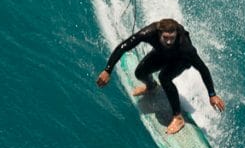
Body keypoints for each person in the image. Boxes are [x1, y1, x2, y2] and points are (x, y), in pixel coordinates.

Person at [96, 17, 226, 134]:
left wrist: (212, 94)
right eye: (165, 38)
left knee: (165, 78)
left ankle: (178, 117)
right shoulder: (148, 33)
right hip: (161, 53)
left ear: (176, 35)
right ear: (158, 34)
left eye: (172, 38)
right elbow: (124, 46)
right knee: (139, 73)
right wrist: (108, 70)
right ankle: (151, 86)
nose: (169, 42)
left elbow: (202, 69)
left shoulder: (185, 48)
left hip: (180, 59)